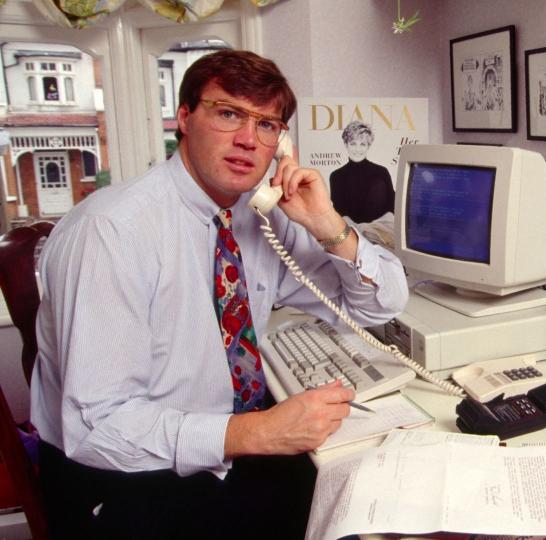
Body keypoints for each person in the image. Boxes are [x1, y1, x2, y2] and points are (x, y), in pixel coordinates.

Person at [30, 50, 409, 539]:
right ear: (185, 117)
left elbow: (378, 305)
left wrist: (327, 223)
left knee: (365, 500)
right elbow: (98, 428)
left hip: (226, 449)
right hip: (126, 474)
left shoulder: (262, 217)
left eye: (268, 125)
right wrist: (262, 433)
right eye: (229, 113)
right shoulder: (111, 232)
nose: (249, 140)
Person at [328, 120, 395, 223]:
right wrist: (359, 232)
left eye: (362, 144)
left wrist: (372, 230)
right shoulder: (336, 176)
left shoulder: (382, 172)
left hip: (380, 233)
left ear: (368, 146)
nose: (357, 149)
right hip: (351, 233)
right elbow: (340, 212)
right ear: (346, 145)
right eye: (353, 144)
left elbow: (391, 208)